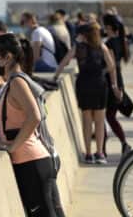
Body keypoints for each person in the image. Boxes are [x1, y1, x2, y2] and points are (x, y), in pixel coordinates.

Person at [0, 33, 64, 217]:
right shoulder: (13, 82)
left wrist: (12, 146)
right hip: (31, 161)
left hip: (31, 162)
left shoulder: (16, 82)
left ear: (7, 57)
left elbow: (35, 116)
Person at [54, 23, 120, 164]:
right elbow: (111, 67)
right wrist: (113, 84)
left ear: (84, 35)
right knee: (99, 121)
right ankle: (100, 153)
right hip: (99, 84)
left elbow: (64, 63)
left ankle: (88, 154)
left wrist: (54, 78)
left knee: (87, 120)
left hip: (84, 84)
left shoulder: (78, 48)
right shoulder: (102, 47)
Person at [102, 14, 132, 155]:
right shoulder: (121, 41)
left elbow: (111, 66)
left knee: (106, 117)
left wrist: (114, 87)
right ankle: (121, 144)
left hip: (111, 82)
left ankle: (105, 149)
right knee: (109, 117)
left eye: (106, 27)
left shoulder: (110, 43)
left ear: (110, 27)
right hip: (118, 80)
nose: (104, 29)